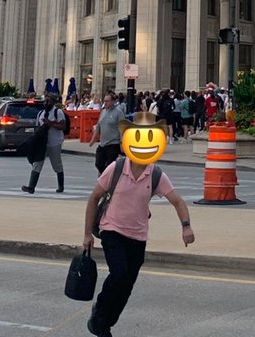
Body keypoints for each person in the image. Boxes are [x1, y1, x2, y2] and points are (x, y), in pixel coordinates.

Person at [83, 123, 195, 337]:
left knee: (127, 285)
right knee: (119, 273)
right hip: (112, 230)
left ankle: (106, 322)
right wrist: (87, 234)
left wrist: (186, 227)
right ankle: (99, 315)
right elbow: (94, 198)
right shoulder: (115, 169)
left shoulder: (156, 175)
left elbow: (178, 201)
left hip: (138, 236)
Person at [22, 93, 66, 194]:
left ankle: (61, 186)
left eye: (48, 101)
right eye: (45, 101)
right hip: (42, 143)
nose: (46, 103)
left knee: (56, 165)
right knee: (37, 163)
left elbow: (63, 126)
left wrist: (50, 124)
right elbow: (37, 128)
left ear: (53, 102)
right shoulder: (40, 113)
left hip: (54, 142)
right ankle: (31, 187)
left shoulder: (57, 112)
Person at [90, 91, 128, 173]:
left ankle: (107, 179)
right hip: (103, 143)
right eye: (104, 101)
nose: (105, 103)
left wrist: (122, 143)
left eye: (107, 101)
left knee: (110, 165)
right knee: (98, 163)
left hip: (113, 143)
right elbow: (98, 126)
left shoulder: (118, 112)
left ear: (113, 101)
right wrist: (93, 139)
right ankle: (105, 176)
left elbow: (123, 128)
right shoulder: (103, 112)